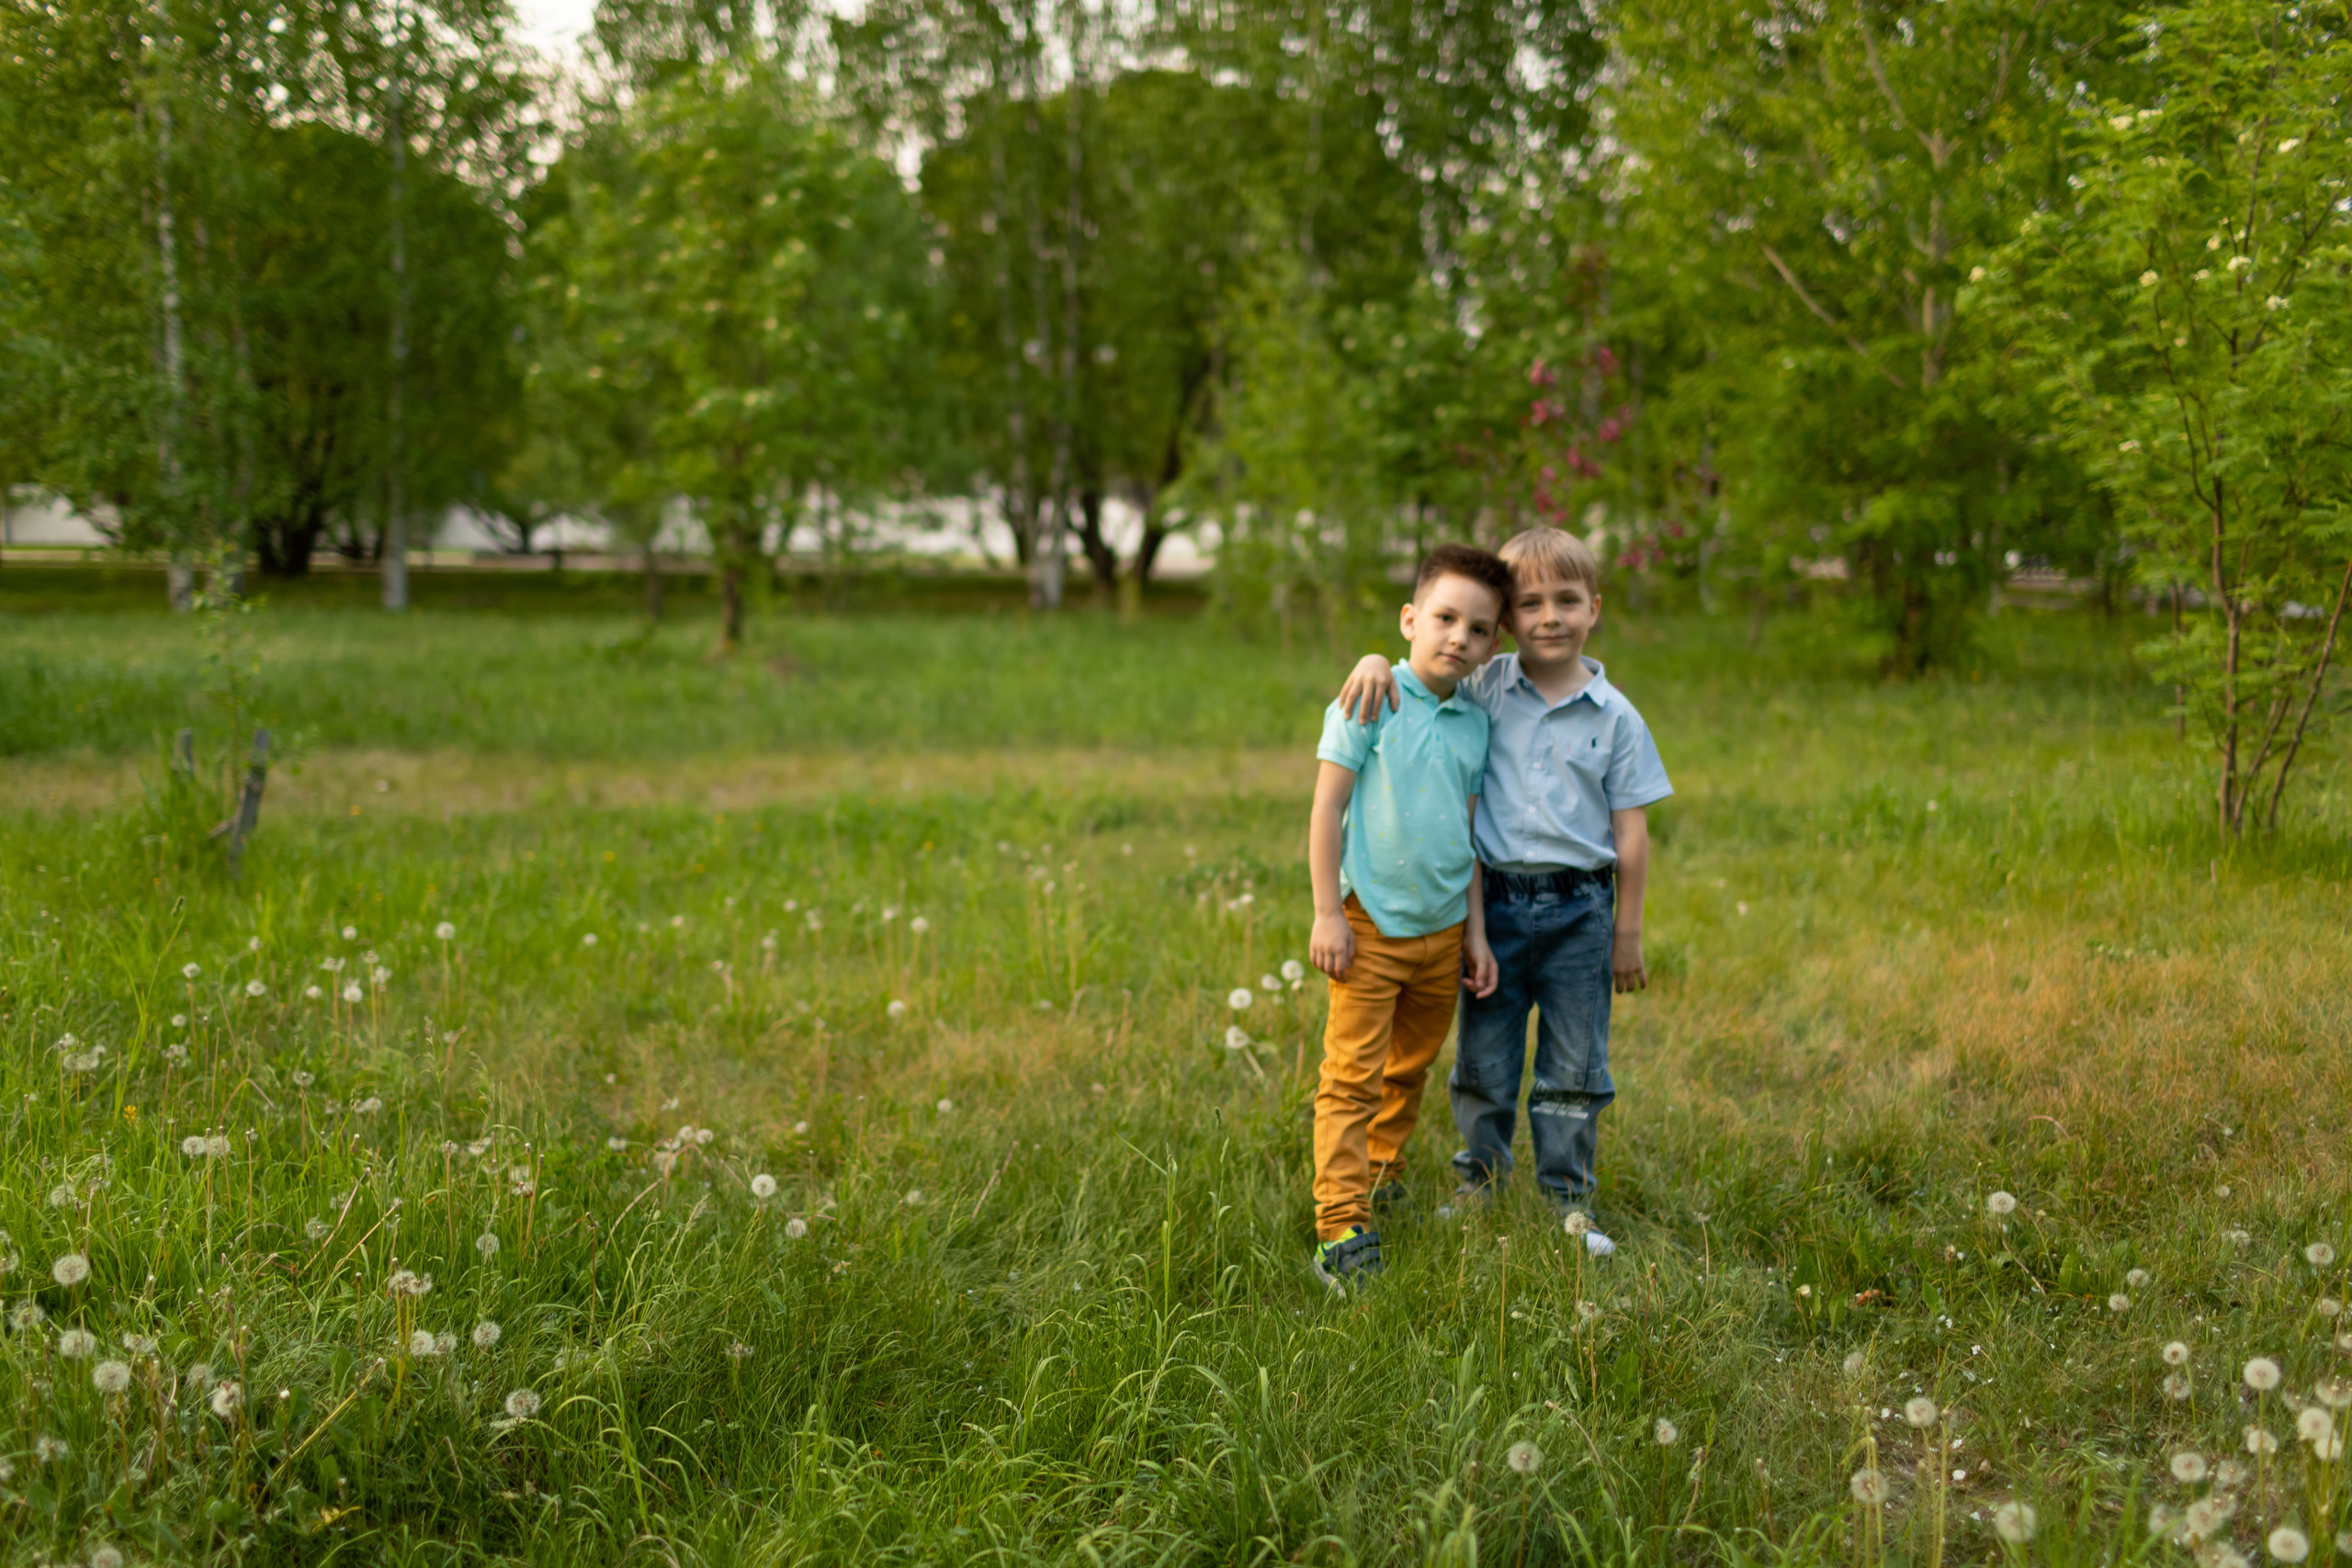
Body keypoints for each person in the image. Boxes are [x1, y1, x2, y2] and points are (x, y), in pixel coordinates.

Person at [1336, 526, 1670, 1257]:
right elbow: (1416, 668)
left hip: (1582, 909)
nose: (1550, 616)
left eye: (1568, 600)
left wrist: (1628, 932)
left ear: (1595, 608)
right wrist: (1369, 657)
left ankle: (1566, 1200)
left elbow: (1633, 832)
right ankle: (1480, 1180)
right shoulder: (1484, 685)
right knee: (1484, 1062)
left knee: (1574, 1067)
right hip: (1491, 905)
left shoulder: (1617, 717)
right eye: (1531, 603)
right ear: (1508, 624)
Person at [1306, 543, 1512, 1291]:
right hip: (1367, 927)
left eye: (1480, 628)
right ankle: (1341, 1224)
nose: (1460, 636)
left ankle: (1384, 1170)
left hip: (1443, 934)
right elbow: (1327, 807)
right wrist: (1328, 911)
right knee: (1351, 1077)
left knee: (1410, 1068)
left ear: (1494, 644)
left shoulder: (1472, 724)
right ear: (1410, 619)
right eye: (1445, 618)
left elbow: (1469, 837)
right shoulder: (1369, 696)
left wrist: (1476, 932)